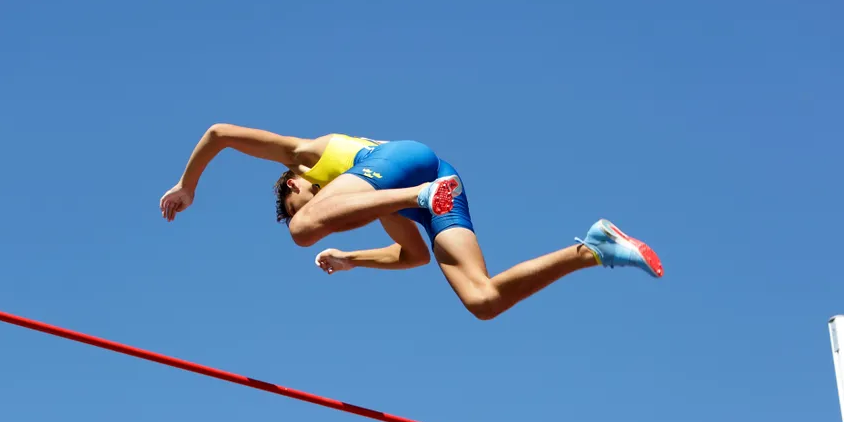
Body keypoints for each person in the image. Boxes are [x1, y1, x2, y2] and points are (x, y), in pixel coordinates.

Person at [160, 124, 663, 320]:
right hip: (433, 183)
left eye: (302, 200)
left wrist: (188, 185)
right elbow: (414, 255)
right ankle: (594, 248)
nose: (320, 213)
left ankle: (421, 195)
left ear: (294, 184)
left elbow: (220, 133)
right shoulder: (377, 205)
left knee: (301, 232)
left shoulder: (308, 158)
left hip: (412, 172)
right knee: (482, 301)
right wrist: (352, 259)